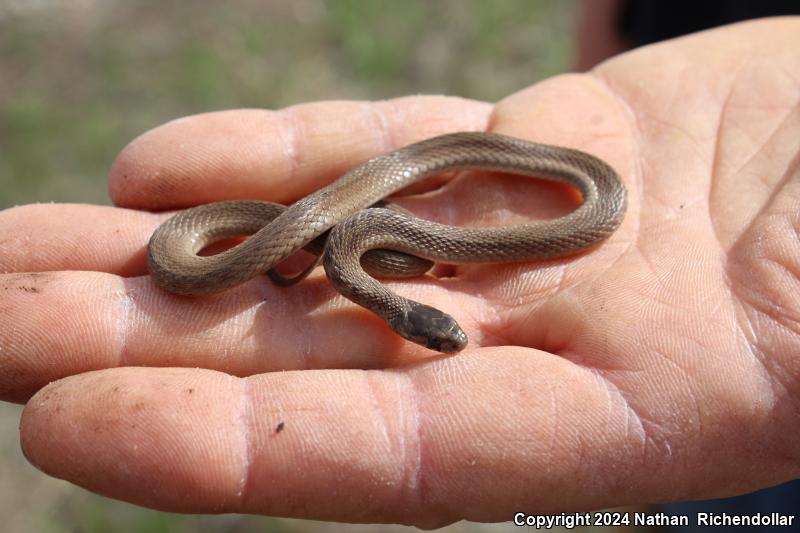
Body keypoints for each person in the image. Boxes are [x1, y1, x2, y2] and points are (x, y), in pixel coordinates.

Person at [1, 17, 798, 527]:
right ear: (402, 310)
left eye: (435, 331)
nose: (440, 335)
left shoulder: (370, 266)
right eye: (436, 330)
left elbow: (353, 257)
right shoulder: (353, 269)